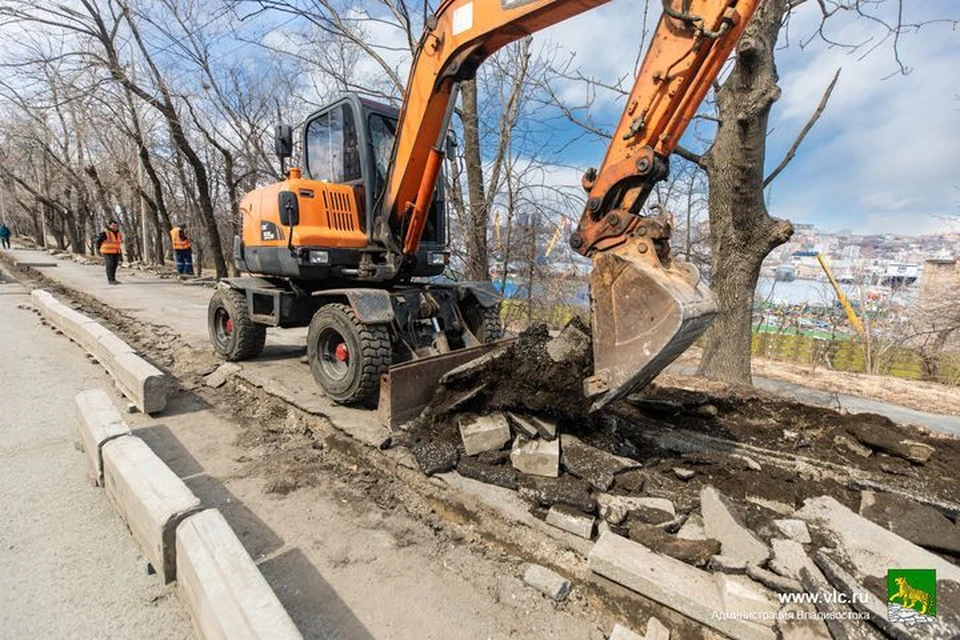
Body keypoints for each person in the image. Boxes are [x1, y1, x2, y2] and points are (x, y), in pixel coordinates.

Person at [95, 219, 123, 284]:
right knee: (110, 265)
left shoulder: (118, 234)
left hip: (116, 252)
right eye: (113, 226)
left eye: (116, 226)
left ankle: (113, 279)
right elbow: (98, 241)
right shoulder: (105, 233)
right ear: (110, 225)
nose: (115, 227)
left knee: (114, 266)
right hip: (107, 252)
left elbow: (118, 244)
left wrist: (120, 253)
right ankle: (110, 280)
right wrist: (98, 249)